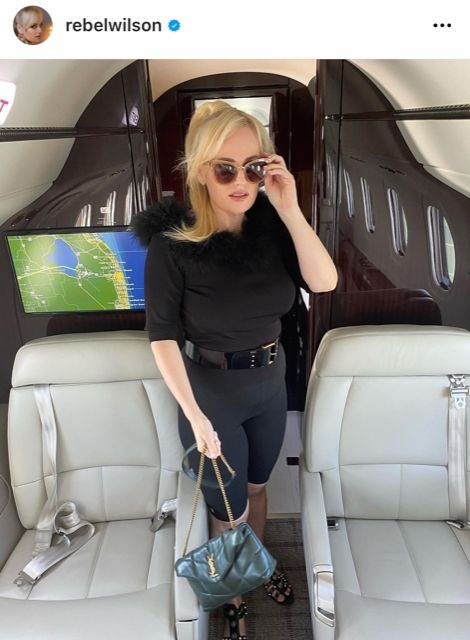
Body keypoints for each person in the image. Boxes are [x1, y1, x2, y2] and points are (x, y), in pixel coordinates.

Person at [133, 100, 337, 640]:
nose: (242, 181)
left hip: (269, 384)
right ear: (201, 171)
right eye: (226, 169)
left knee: (260, 488)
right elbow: (162, 338)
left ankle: (257, 564)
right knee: (231, 510)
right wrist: (195, 416)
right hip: (211, 397)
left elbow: (324, 282)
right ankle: (236, 595)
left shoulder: (273, 229)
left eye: (254, 167)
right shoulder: (173, 246)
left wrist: (290, 209)